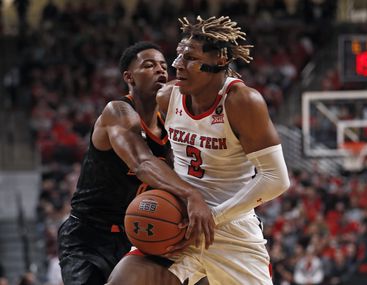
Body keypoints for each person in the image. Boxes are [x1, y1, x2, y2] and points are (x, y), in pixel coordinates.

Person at [107, 16, 290, 285]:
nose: (176, 64)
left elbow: (276, 179)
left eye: (189, 57)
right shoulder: (167, 97)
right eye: (179, 55)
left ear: (219, 60)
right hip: (178, 222)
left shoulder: (242, 102)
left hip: (231, 229)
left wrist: (213, 216)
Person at [57, 41, 215, 285]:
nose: (160, 70)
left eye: (164, 66)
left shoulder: (171, 123)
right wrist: (191, 194)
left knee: (200, 279)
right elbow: (142, 163)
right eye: (149, 65)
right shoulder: (117, 112)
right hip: (89, 236)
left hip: (142, 231)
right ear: (128, 77)